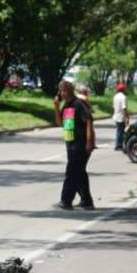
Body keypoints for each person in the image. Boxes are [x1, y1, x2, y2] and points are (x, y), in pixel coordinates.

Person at [53, 80, 96, 210]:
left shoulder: (79, 104)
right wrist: (56, 106)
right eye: (60, 91)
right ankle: (86, 201)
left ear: (68, 90)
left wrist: (89, 142)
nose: (61, 93)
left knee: (71, 172)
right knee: (80, 173)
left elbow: (89, 120)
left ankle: (66, 200)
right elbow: (60, 123)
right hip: (70, 144)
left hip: (80, 144)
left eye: (62, 90)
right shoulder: (66, 106)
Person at [112, 83, 130, 151]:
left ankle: (119, 144)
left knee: (119, 131)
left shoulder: (115, 96)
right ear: (123, 90)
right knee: (121, 131)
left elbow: (114, 106)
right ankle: (119, 145)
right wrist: (127, 117)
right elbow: (124, 107)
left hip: (116, 115)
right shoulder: (123, 97)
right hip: (121, 116)